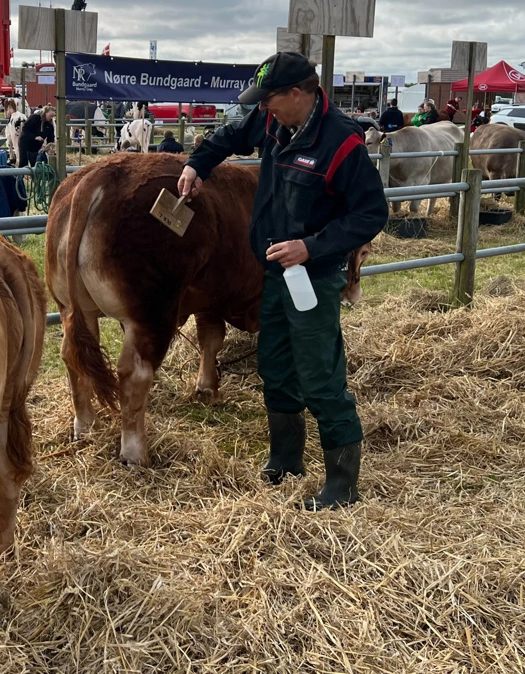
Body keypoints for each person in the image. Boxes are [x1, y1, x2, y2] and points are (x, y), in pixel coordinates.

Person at [178, 51, 387, 510]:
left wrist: (311, 246)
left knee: (319, 373)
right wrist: (198, 163)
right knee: (273, 365)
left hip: (313, 273)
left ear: (298, 93)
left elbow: (371, 213)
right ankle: (285, 458)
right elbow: (232, 134)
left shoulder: (342, 143)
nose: (264, 108)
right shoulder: (275, 123)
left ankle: (341, 483)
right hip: (273, 270)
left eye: (270, 99)